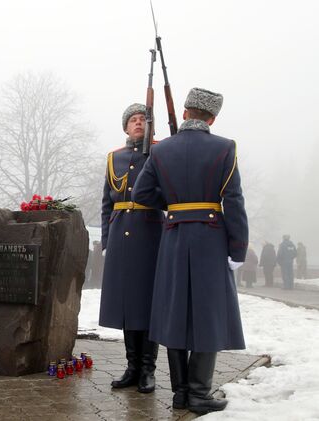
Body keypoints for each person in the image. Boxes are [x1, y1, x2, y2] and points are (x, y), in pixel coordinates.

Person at [133, 87, 248, 415]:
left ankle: (181, 393)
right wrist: (238, 248)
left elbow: (142, 194)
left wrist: (175, 208)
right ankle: (199, 394)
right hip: (211, 240)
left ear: (184, 113)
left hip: (173, 238)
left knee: (174, 314)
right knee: (207, 316)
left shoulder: (161, 151)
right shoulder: (225, 148)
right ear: (212, 118)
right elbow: (234, 201)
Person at [99, 103, 164, 393]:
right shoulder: (115, 158)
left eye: (142, 120)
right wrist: (106, 240)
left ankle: (148, 369)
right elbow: (106, 203)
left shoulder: (160, 153)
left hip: (150, 234)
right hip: (120, 236)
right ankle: (132, 366)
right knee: (127, 305)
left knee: (148, 305)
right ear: (125, 127)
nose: (138, 123)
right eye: (133, 120)